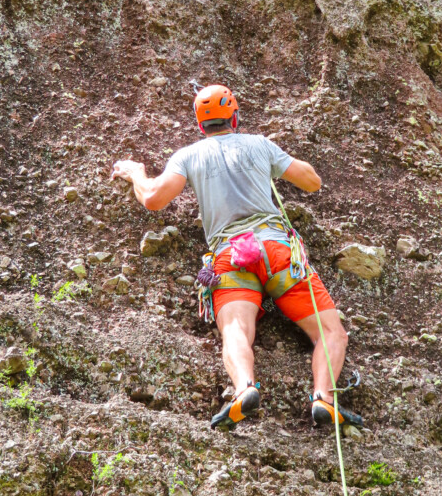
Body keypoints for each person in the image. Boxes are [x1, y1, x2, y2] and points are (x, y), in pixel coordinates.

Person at [110, 83, 362, 432]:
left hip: (230, 255)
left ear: (201, 126)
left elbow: (153, 198)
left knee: (235, 330)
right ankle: (323, 397)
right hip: (278, 251)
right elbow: (312, 181)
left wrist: (137, 173)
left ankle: (244, 387)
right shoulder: (259, 145)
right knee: (330, 332)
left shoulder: (188, 155)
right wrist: (275, 159)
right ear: (235, 116)